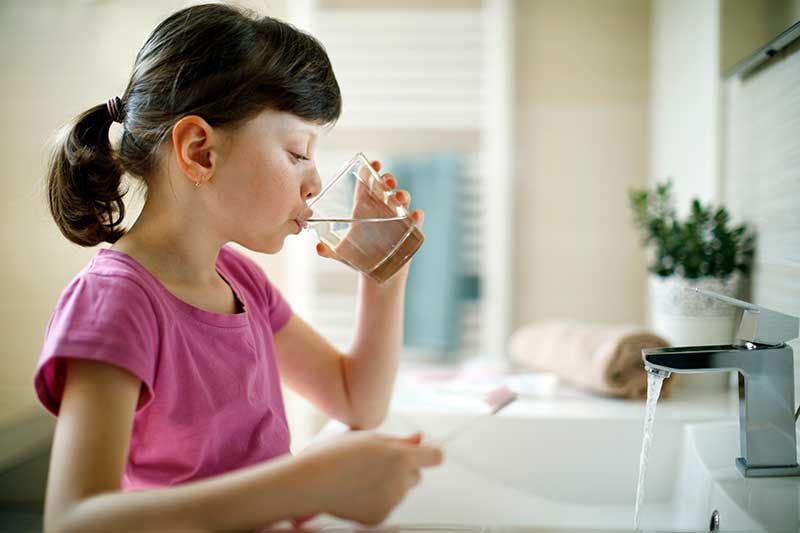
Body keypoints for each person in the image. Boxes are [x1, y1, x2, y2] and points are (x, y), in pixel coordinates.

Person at [35, 4, 442, 532]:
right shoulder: (116, 303)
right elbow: (74, 522)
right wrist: (307, 484)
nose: (315, 183)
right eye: (298, 152)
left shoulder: (239, 280)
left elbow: (356, 401)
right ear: (200, 151)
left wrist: (382, 272)